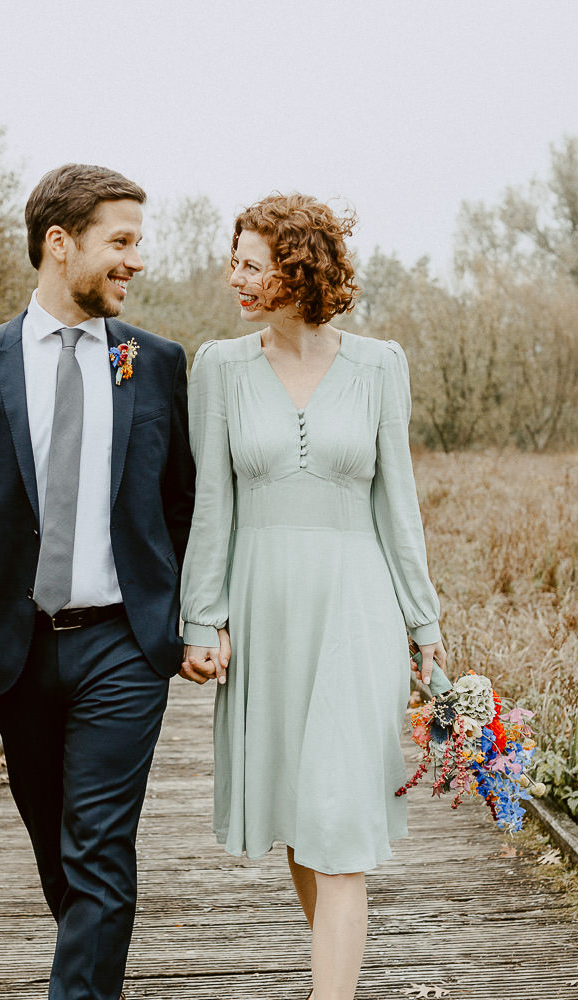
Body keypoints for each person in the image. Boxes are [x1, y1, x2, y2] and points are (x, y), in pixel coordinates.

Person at [0, 163, 200, 1000]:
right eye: (121, 242)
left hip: (125, 643)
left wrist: (194, 620)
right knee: (58, 856)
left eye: (139, 243)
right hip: (16, 650)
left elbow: (184, 507)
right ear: (59, 244)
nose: (136, 261)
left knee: (98, 847)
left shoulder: (157, 363)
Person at [179, 193, 449, 1000]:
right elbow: (211, 509)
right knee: (302, 821)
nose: (235, 277)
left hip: (355, 610)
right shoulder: (218, 368)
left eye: (250, 264)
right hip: (265, 613)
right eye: (235, 261)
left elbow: (398, 506)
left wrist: (423, 624)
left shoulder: (379, 365)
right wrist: (203, 618)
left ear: (297, 270)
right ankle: (337, 957)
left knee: (338, 820)